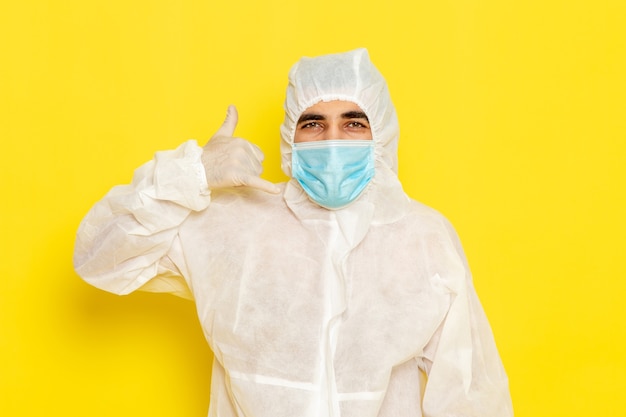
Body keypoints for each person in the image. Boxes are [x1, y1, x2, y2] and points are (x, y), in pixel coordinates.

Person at [74, 48, 513, 417]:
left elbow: (469, 391)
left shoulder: (422, 236)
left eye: (354, 123)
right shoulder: (231, 224)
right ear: (291, 138)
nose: (332, 139)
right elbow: (100, 259)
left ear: (381, 133)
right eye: (313, 123)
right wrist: (193, 175)